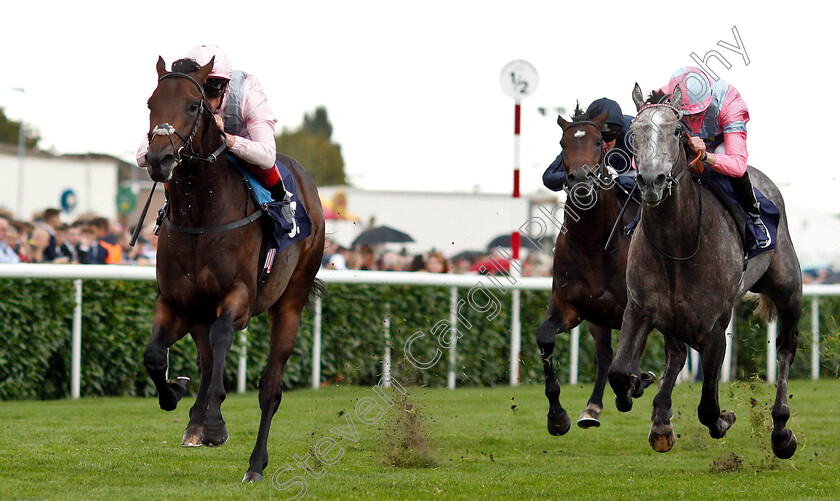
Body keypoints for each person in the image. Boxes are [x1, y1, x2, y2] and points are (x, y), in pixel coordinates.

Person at [136, 45, 294, 228]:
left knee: (259, 165)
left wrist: (226, 139)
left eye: (211, 89)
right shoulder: (181, 99)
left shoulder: (248, 94)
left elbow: (267, 156)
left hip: (242, 143)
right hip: (199, 151)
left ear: (225, 87)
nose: (203, 98)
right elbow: (141, 157)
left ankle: (281, 204)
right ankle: (169, 207)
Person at [660, 66, 770, 248]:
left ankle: (754, 216)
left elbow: (738, 165)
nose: (693, 120)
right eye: (687, 114)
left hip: (718, 145)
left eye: (699, 112)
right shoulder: (662, 97)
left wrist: (705, 156)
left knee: (721, 154)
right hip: (684, 141)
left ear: (710, 97)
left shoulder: (730, 102)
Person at [543, 97, 636, 193]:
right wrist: (572, 177)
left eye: (608, 137)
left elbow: (651, 180)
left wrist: (616, 180)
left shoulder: (635, 136)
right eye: (596, 141)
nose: (603, 144)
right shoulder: (584, 143)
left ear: (619, 133)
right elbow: (549, 177)